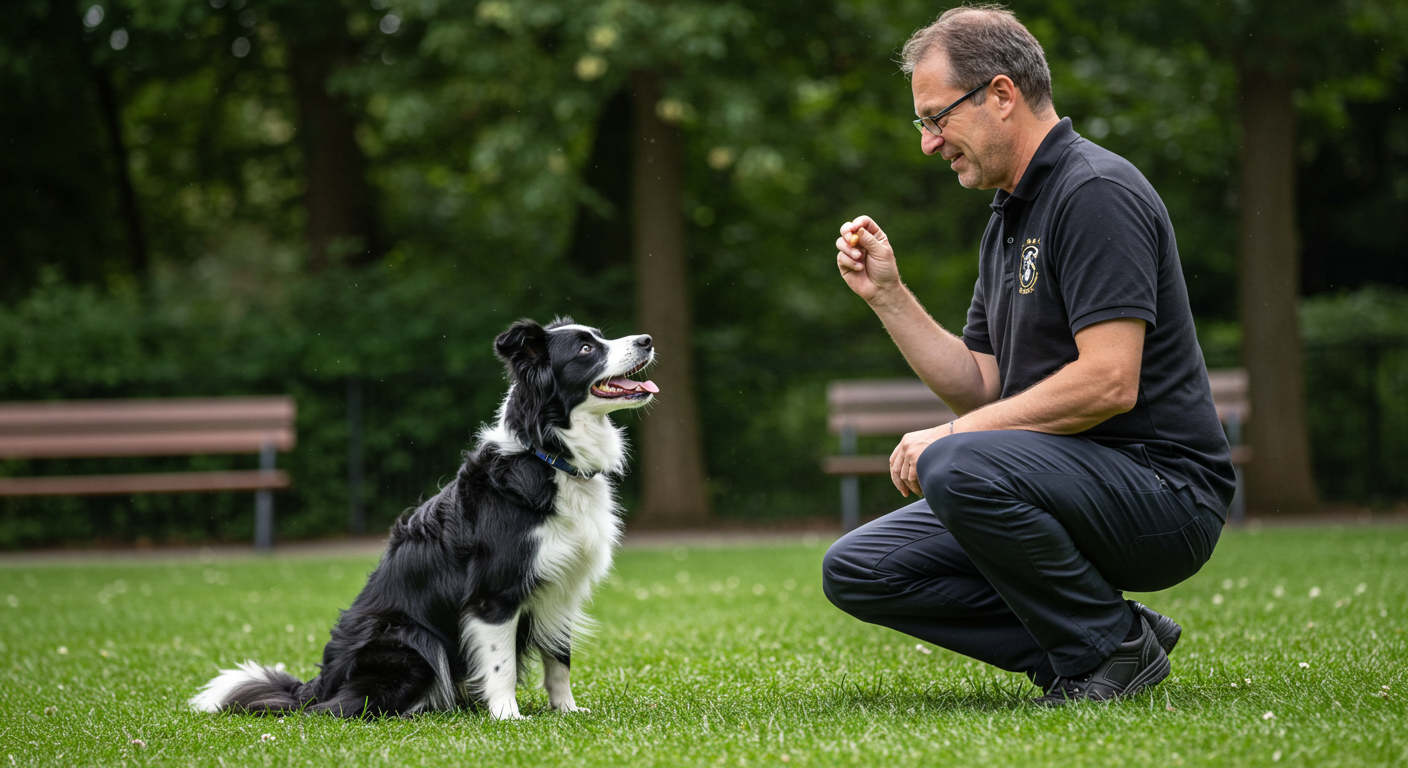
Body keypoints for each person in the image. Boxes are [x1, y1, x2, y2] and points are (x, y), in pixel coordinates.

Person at [821, 5, 1236, 705]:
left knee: (955, 459)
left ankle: (1104, 652)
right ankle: (1111, 636)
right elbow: (983, 390)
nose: (928, 142)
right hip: (1062, 483)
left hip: (1165, 494)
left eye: (935, 117)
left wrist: (949, 440)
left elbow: (1109, 382)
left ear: (1002, 95)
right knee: (861, 567)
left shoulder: (1094, 192)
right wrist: (887, 296)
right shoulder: (1010, 214)